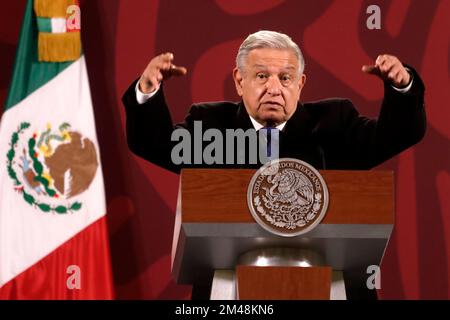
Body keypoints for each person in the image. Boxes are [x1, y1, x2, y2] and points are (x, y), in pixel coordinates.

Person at [122, 30, 426, 173]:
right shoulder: (211, 125)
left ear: (300, 84)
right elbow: (155, 145)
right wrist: (147, 91)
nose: (274, 88)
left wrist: (402, 87)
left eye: (285, 78)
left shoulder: (335, 122)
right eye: (261, 76)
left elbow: (394, 137)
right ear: (240, 81)